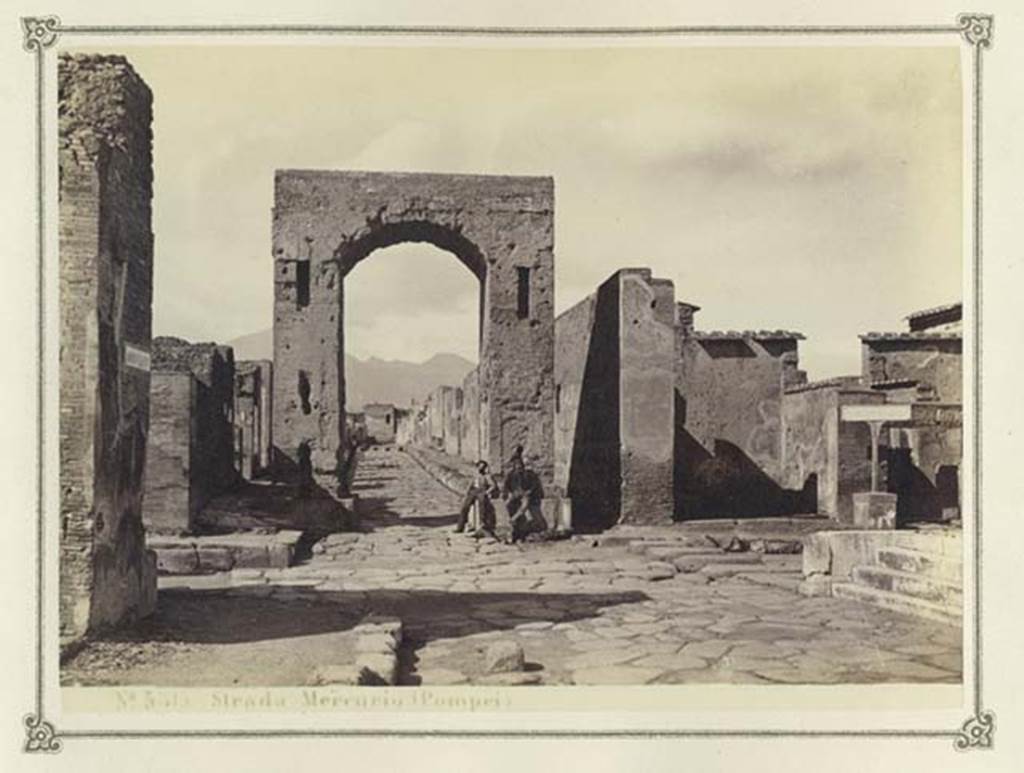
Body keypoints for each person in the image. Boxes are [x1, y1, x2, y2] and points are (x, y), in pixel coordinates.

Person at [502, 446, 546, 543]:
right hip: (515, 494)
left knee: (524, 505)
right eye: (517, 467)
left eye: (520, 467)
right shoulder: (511, 475)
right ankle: (514, 522)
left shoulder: (529, 474)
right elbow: (506, 487)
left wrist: (528, 492)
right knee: (508, 503)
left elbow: (534, 485)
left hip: (525, 494)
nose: (519, 469)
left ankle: (514, 519)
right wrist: (510, 494)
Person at [454, 460, 498, 536]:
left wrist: (487, 492)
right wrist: (466, 493)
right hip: (473, 490)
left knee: (482, 506)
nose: (481, 468)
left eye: (483, 467)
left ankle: (482, 525)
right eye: (480, 466)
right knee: (465, 506)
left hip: (482, 490)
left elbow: (493, 486)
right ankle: (460, 527)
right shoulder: (475, 475)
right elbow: (470, 485)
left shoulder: (487, 476)